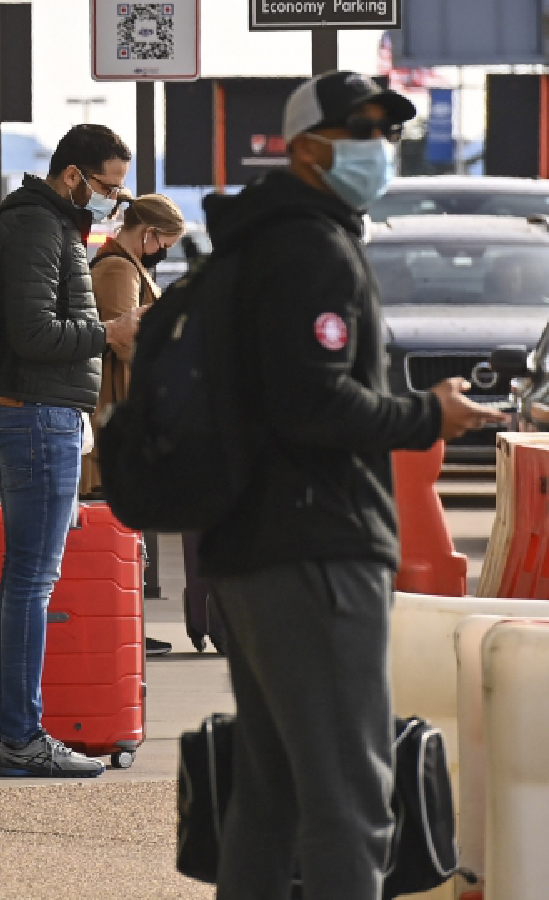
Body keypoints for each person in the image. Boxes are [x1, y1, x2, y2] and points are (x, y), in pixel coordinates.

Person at [202, 73, 500, 896]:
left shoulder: (255, 242)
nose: (379, 145)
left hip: (252, 543)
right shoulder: (313, 250)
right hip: (316, 547)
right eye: (359, 129)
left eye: (386, 130)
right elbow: (314, 402)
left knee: (272, 796)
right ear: (305, 147)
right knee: (351, 799)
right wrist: (424, 415)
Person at [0, 124, 144, 777]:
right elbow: (34, 331)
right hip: (36, 414)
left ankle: (7, 732)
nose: (113, 201)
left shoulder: (40, 225)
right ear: (73, 175)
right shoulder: (40, 230)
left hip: (35, 412)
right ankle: (20, 734)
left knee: (24, 579)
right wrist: (111, 330)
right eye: (108, 187)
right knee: (32, 580)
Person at [89, 192, 187, 658]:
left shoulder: (126, 264)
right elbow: (124, 337)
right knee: (120, 520)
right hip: (118, 401)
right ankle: (121, 626)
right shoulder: (117, 269)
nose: (164, 249)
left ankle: (126, 624)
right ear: (148, 233)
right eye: (164, 240)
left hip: (124, 400)